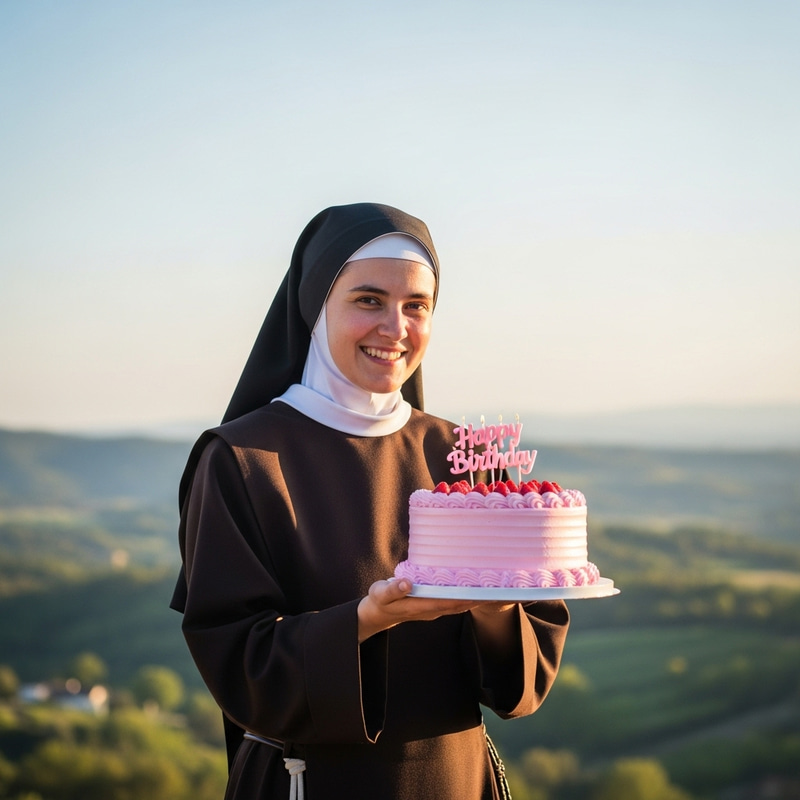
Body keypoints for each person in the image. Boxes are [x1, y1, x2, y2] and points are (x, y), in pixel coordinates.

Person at [171, 202, 569, 800]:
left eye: (417, 306)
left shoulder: (470, 458)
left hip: (454, 782)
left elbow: (523, 686)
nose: (396, 327)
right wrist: (365, 621)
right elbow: (235, 659)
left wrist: (493, 610)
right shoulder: (241, 459)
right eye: (368, 300)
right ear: (315, 304)